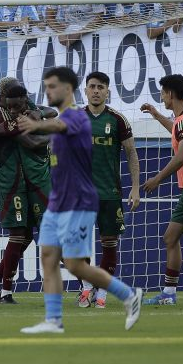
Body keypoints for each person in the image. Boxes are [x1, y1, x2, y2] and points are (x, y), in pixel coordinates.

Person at [16, 66, 143, 334]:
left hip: (79, 201)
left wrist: (37, 124)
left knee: (75, 264)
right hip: (58, 201)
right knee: (48, 257)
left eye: (52, 86)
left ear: (67, 90)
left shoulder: (76, 118)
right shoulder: (65, 119)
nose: (48, 91)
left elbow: (60, 125)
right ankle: (53, 320)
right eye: (46, 86)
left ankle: (129, 295)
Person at [0, 83, 51, 305]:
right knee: (19, 235)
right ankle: (6, 292)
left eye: (17, 104)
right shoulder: (5, 118)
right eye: (8, 104)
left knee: (27, 236)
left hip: (29, 181)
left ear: (24, 99)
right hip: (12, 182)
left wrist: (39, 113)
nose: (14, 109)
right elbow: (30, 142)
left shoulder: (26, 109)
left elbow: (52, 111)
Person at [74, 71, 141, 309]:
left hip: (110, 193)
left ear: (107, 91)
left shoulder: (118, 120)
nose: (95, 91)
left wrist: (135, 188)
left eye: (100, 87)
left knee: (109, 242)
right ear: (85, 90)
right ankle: (86, 289)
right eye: (92, 86)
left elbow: (131, 153)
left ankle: (101, 291)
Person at [140, 74, 183, 306]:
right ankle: (169, 294)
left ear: (170, 94)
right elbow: (177, 133)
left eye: (162, 93)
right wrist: (157, 116)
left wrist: (157, 178)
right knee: (170, 238)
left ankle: (168, 293)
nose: (161, 97)